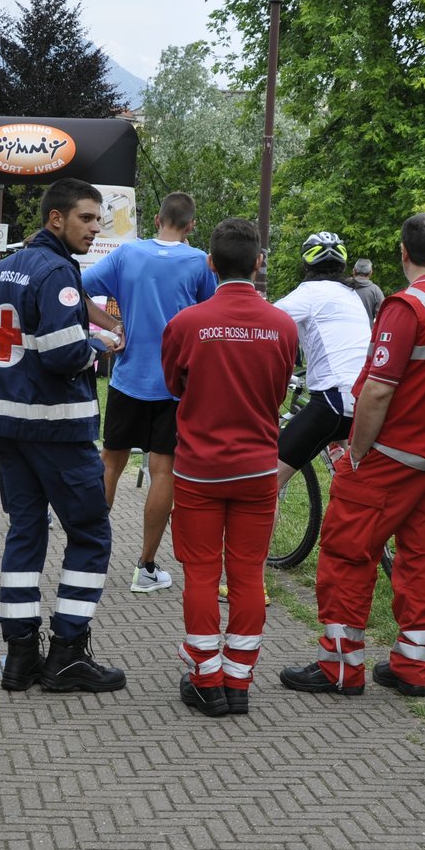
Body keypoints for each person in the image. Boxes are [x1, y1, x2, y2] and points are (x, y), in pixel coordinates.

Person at [281, 211, 425, 698]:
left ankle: (339, 667)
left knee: (345, 551)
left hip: (393, 454)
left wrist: (357, 452)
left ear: (403, 253)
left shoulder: (407, 306)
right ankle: (412, 668)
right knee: (423, 557)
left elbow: (377, 391)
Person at [0, 178, 126, 694]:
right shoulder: (58, 271)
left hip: (5, 428)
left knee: (25, 534)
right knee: (91, 533)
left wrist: (13, 380)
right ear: (55, 219)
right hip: (56, 429)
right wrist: (98, 345)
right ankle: (67, 653)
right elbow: (61, 352)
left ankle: (19, 657)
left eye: (99, 219)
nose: (95, 228)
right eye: (87, 218)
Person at [161, 218, 299, 717]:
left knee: (201, 573)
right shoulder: (283, 325)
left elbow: (175, 384)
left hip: (199, 469)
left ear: (210, 263)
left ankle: (206, 677)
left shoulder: (186, 323)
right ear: (259, 262)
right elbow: (279, 390)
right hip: (258, 468)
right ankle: (239, 679)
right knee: (247, 572)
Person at [79, 191, 217, 593]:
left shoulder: (127, 254)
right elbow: (208, 317)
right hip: (175, 386)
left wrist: (112, 325)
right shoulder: (199, 262)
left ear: (157, 219)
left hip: (127, 380)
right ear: (191, 225)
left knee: (109, 464)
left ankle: (91, 561)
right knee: (163, 472)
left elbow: (75, 287)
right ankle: (146, 567)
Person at [273, 232, 371, 490]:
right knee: (355, 482)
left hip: (332, 401)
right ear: (343, 266)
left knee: (267, 481)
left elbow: (264, 322)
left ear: (306, 265)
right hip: (366, 400)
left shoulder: (308, 293)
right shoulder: (353, 296)